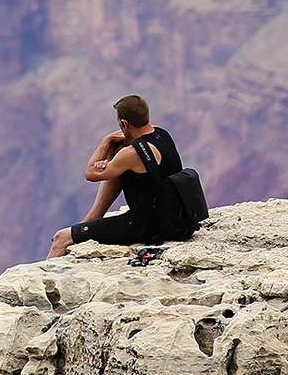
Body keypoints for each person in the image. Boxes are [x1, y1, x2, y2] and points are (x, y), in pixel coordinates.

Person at [48, 94, 185, 258]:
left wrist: (107, 141)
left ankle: (41, 281)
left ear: (124, 124)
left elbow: (91, 173)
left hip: (142, 226)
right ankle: (91, 219)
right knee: (120, 161)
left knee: (61, 238)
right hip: (170, 217)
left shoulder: (132, 153)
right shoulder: (162, 135)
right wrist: (115, 154)